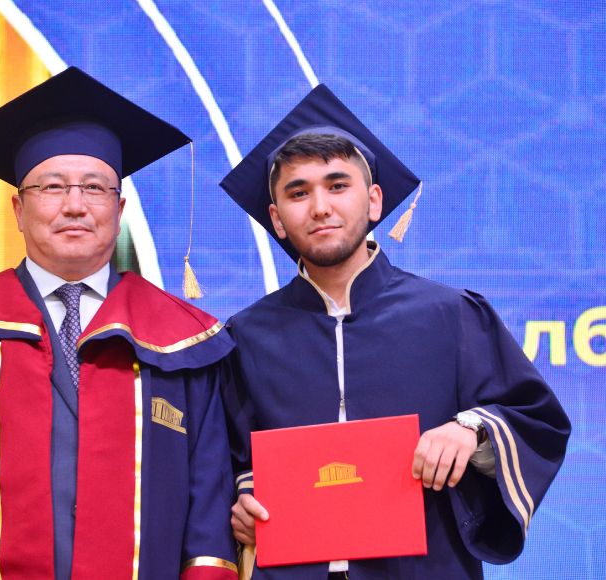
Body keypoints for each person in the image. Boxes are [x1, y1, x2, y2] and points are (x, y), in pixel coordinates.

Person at [0, 66, 239, 580]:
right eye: (51, 186)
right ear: (18, 209)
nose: (75, 205)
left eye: (95, 188)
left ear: (119, 209)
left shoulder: (186, 343)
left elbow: (209, 518)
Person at [218, 84, 570, 579]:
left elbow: (537, 420)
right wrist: (240, 502)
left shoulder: (451, 315)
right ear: (276, 218)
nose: (319, 207)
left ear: (374, 201)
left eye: (338, 185)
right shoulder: (246, 335)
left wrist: (470, 429)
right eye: (298, 193)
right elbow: (221, 458)